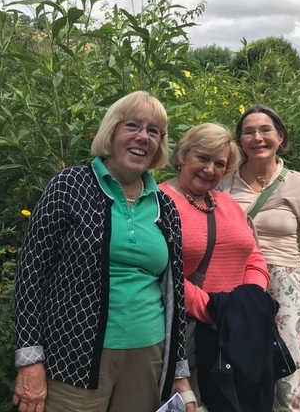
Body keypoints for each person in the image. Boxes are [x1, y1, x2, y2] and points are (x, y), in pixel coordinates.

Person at [13, 90, 195, 412]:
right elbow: (31, 274)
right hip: (72, 356)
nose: (143, 136)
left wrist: (179, 371)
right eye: (133, 126)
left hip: (147, 354)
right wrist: (29, 359)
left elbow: (175, 292)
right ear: (111, 131)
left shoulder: (164, 205)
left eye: (154, 131)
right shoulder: (70, 185)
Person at [160, 123, 293, 412]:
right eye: (203, 158)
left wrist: (246, 301)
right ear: (183, 155)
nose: (210, 169)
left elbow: (253, 254)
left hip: (236, 328)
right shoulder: (159, 202)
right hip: (189, 330)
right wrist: (213, 308)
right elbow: (161, 269)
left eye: (219, 163)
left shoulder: (227, 204)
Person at [218, 105, 300, 412]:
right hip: (237, 281)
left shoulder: (299, 184)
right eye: (248, 131)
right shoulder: (226, 181)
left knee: (287, 362)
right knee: (238, 361)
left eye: (265, 130)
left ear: (280, 136)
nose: (257, 137)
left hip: (284, 281)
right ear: (240, 140)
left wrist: (289, 275)